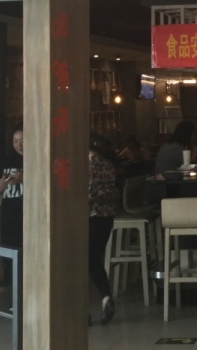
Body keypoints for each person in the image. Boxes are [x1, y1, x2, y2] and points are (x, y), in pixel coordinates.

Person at [88, 134, 119, 326]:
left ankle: (81, 311)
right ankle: (106, 297)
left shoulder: (86, 167)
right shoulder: (108, 165)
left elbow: (86, 194)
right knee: (93, 259)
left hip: (89, 216)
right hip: (107, 217)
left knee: (82, 261)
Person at [0, 124, 24, 286]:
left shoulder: (37, 158)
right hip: (9, 212)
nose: (19, 144)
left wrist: (23, 179)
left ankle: (25, 282)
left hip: (28, 213)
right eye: (15, 141)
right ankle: (9, 280)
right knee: (8, 245)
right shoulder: (7, 160)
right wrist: (3, 183)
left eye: (23, 140)